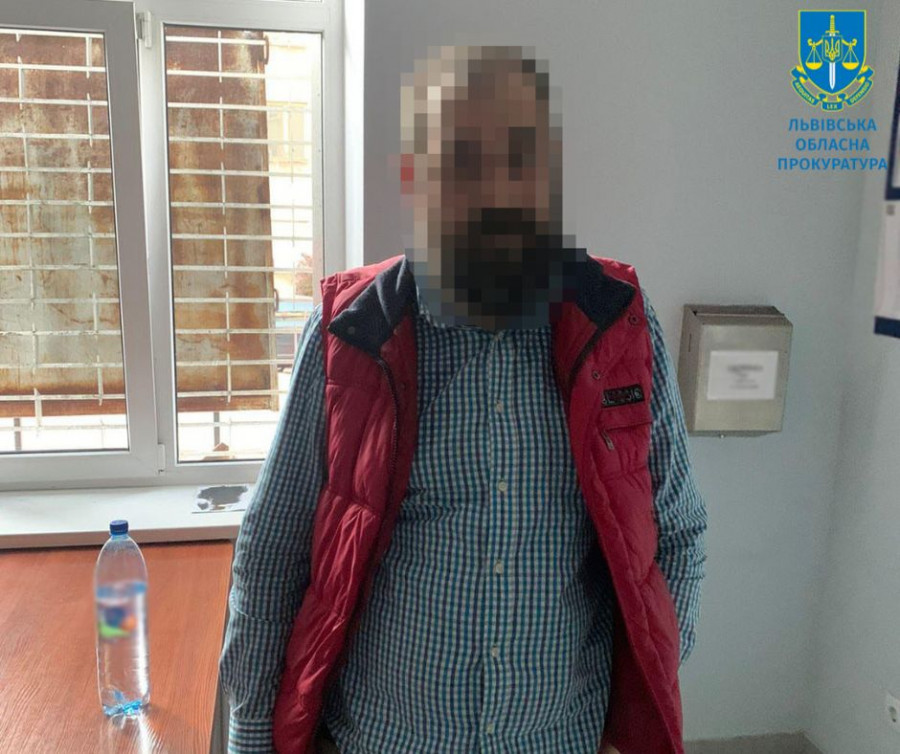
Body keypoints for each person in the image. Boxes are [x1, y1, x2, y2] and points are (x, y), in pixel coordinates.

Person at [219, 44, 708, 754]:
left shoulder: (618, 327)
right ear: (415, 177)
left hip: (558, 740)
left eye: (519, 157)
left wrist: (640, 686)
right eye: (462, 159)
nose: (495, 190)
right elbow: (273, 552)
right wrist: (250, 738)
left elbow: (679, 533)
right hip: (381, 740)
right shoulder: (350, 335)